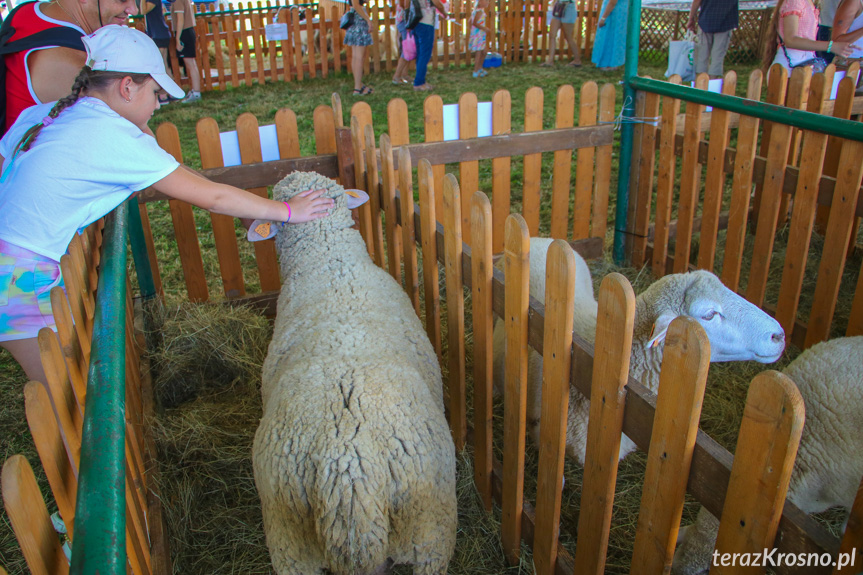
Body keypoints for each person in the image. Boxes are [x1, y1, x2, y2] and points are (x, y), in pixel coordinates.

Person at [0, 25, 333, 384]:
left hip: (16, 260)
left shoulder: (46, 114)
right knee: (63, 393)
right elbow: (215, 198)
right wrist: (286, 211)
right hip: (20, 277)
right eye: (156, 93)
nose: (158, 105)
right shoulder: (110, 135)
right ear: (127, 87)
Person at [0, 0, 139, 133]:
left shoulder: (29, 10)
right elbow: (131, 132)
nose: (134, 9)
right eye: (122, 0)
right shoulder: (71, 63)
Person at [762, 0, 858, 71]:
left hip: (803, 64)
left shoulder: (809, 3)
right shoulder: (795, 2)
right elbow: (790, 40)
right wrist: (831, 46)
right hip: (790, 65)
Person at [686, 0, 738, 78]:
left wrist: (691, 18)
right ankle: (712, 85)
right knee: (717, 57)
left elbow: (697, 1)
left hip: (706, 20)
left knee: (702, 56)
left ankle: (701, 83)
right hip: (725, 21)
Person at [167, 0, 201, 103]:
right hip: (187, 31)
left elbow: (180, 19)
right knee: (191, 64)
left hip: (184, 33)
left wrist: (178, 38)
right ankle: (195, 91)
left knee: (191, 64)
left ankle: (196, 93)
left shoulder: (178, 1)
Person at [413, 0, 449, 91]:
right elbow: (437, 3)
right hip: (426, 22)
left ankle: (421, 80)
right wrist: (444, 13)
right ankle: (419, 83)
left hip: (416, 21)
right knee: (424, 54)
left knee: (420, 53)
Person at [344, 0, 374, 95]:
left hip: (355, 19)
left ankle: (359, 85)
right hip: (359, 20)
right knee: (359, 57)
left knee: (356, 56)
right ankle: (357, 88)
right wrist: (368, 19)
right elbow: (356, 4)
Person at [539, 0, 581, 67]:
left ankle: (577, 60)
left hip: (569, 7)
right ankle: (550, 61)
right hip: (559, 6)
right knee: (552, 35)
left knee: (568, 36)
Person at [590, 0, 627, 70]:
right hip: (619, 12)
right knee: (616, 37)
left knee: (609, 36)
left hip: (613, 13)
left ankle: (608, 64)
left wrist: (603, 18)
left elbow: (612, 2)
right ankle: (612, 63)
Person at [142, 0, 172, 74]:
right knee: (164, 64)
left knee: (158, 65)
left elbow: (144, 11)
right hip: (160, 34)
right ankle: (169, 84)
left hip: (159, 34)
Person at [392, 0, 413, 84]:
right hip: (405, 20)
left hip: (406, 19)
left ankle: (404, 74)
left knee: (409, 48)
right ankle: (396, 76)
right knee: (407, 49)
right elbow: (403, 3)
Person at [469, 0, 491, 78]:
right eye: (486, 1)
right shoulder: (479, 11)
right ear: (480, 2)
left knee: (484, 52)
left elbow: (469, 22)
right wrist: (484, 28)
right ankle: (475, 71)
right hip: (478, 36)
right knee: (479, 53)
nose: (488, 2)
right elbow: (474, 23)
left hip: (480, 35)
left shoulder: (477, 11)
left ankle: (479, 68)